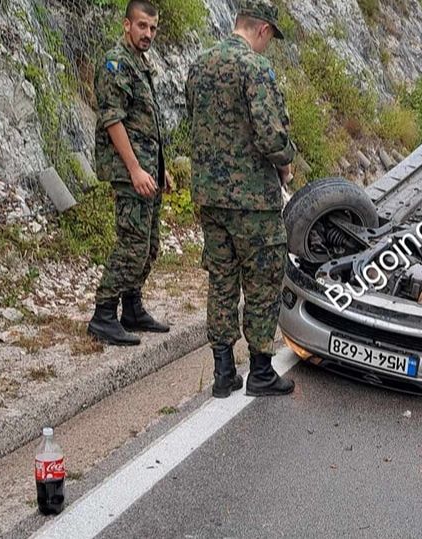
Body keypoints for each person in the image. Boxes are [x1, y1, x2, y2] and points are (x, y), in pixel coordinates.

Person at [185, 0, 296, 398]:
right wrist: (286, 163)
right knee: (263, 281)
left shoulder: (199, 65)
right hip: (252, 201)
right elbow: (270, 135)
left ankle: (223, 372)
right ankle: (261, 371)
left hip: (210, 198)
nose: (268, 45)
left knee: (222, 280)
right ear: (262, 29)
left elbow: (195, 122)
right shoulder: (255, 67)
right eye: (270, 38)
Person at [88, 0, 172, 346]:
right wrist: (135, 169)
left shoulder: (141, 63)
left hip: (148, 170)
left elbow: (147, 123)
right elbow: (113, 120)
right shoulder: (116, 63)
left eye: (152, 28)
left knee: (149, 245)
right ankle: (103, 315)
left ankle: (132, 308)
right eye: (141, 26)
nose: (148, 33)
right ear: (126, 25)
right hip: (129, 172)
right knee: (132, 243)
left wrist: (161, 168)